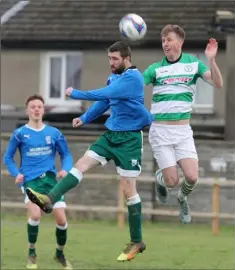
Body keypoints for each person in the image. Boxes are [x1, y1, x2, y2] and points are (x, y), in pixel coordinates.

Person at [25, 41, 152, 262]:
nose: (111, 63)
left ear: (126, 58)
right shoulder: (115, 77)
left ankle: (137, 240)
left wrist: (76, 93)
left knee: (128, 190)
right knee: (81, 164)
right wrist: (84, 118)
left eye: (114, 59)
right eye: (109, 59)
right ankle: (49, 199)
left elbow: (103, 93)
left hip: (130, 139)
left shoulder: (133, 78)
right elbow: (105, 101)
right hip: (111, 135)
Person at [143, 24, 223, 224]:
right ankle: (161, 179)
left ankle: (182, 197)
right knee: (172, 181)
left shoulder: (194, 64)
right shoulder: (155, 68)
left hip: (183, 131)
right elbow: (136, 85)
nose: (165, 44)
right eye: (163, 41)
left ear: (180, 42)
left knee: (192, 177)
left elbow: (218, 83)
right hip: (160, 131)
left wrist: (211, 60)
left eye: (169, 40)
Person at [3, 94, 73, 269]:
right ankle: (32, 253)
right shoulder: (19, 134)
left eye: (39, 106)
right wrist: (15, 173)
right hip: (30, 181)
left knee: (62, 222)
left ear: (43, 110)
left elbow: (66, 155)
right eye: (32, 106)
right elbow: (8, 157)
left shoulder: (54, 133)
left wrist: (65, 169)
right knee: (35, 215)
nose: (36, 109)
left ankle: (59, 254)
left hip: (50, 181)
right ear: (27, 110)